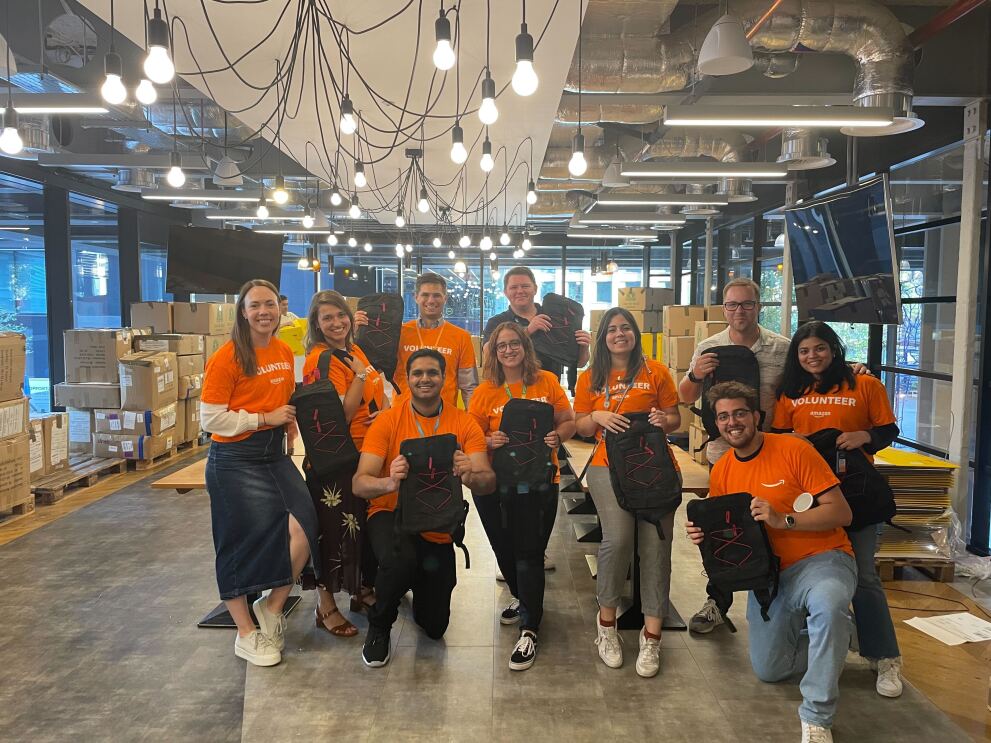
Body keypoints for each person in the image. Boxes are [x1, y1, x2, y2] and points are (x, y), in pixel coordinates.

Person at [680, 277, 869, 634]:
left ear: (758, 306)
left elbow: (813, 373)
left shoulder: (782, 348)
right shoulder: (708, 346)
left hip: (776, 450)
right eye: (733, 305)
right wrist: (694, 373)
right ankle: (717, 600)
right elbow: (686, 393)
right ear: (725, 309)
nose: (740, 311)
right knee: (726, 529)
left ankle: (792, 597)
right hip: (726, 452)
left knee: (777, 522)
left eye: (747, 304)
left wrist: (853, 368)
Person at [686, 381, 856, 743]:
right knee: (770, 670)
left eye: (740, 413)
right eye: (723, 417)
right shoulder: (722, 470)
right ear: (716, 424)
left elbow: (842, 512)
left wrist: (784, 519)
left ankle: (817, 716)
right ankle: (838, 635)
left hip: (821, 559)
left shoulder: (794, 449)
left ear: (756, 416)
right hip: (770, 577)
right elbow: (730, 531)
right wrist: (708, 536)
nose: (733, 422)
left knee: (829, 603)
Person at [772, 321, 903, 698]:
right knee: (805, 573)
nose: (812, 356)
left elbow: (887, 429)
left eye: (820, 348)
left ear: (834, 348)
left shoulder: (864, 384)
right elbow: (780, 438)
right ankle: (814, 646)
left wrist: (867, 437)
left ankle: (885, 657)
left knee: (863, 577)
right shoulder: (790, 392)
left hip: (856, 494)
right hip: (807, 497)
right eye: (804, 350)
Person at [200, 279, 320, 668]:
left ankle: (272, 608)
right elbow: (210, 418)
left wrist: (285, 423)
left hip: (273, 454)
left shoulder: (285, 350)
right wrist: (263, 418)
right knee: (237, 543)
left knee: (305, 523)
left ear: (280, 308)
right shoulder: (228, 357)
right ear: (243, 311)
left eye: (270, 304)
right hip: (234, 458)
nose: (264, 312)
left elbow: (283, 397)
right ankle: (246, 634)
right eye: (256, 306)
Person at [353, 349, 496, 668]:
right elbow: (360, 483)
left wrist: (470, 474)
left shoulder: (463, 422)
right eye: (417, 373)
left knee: (434, 628)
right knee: (399, 559)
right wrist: (389, 483)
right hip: (391, 513)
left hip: (437, 521)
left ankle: (416, 582)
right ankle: (380, 625)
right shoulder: (389, 420)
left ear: (444, 379)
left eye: (432, 373)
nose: (425, 379)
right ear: (408, 379)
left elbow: (487, 481)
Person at [573, 307, 682, 678]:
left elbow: (675, 418)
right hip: (607, 465)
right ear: (603, 337)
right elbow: (580, 425)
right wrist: (598, 417)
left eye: (626, 328)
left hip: (655, 465)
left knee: (656, 545)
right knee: (618, 540)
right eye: (612, 329)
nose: (619, 334)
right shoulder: (590, 377)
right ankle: (606, 627)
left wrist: (662, 420)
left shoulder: (658, 372)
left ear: (635, 334)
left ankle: (652, 637)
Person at [467, 322, 576, 671]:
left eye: (515, 343)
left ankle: (530, 627)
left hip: (540, 479)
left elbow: (568, 420)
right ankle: (522, 595)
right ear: (493, 352)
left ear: (525, 347)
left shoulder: (545, 381)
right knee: (504, 548)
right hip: (497, 483)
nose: (509, 350)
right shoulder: (485, 391)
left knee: (529, 552)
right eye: (501, 346)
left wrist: (557, 436)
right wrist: (488, 440)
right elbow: (469, 436)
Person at [301, 290, 388, 638]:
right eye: (327, 318)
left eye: (341, 315)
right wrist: (360, 378)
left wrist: (381, 414)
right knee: (331, 533)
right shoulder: (321, 361)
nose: (336, 323)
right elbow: (340, 416)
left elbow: (372, 397)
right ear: (316, 324)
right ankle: (326, 608)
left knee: (357, 532)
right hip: (334, 462)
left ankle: (360, 592)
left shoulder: (352, 350)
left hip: (361, 455)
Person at [361, 272, 478, 408]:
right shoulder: (398, 333)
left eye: (437, 295)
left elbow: (469, 388)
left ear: (445, 298)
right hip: (402, 417)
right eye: (425, 295)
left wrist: (473, 422)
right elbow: (372, 372)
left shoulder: (461, 337)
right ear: (416, 297)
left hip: (445, 419)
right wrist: (361, 332)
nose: (431, 300)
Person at [481, 266, 592, 384]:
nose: (520, 291)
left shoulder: (555, 318)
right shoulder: (497, 322)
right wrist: (527, 331)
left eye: (525, 286)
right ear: (506, 292)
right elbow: (488, 353)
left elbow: (579, 363)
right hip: (511, 392)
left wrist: (583, 347)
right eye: (513, 287)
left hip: (549, 391)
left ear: (535, 289)